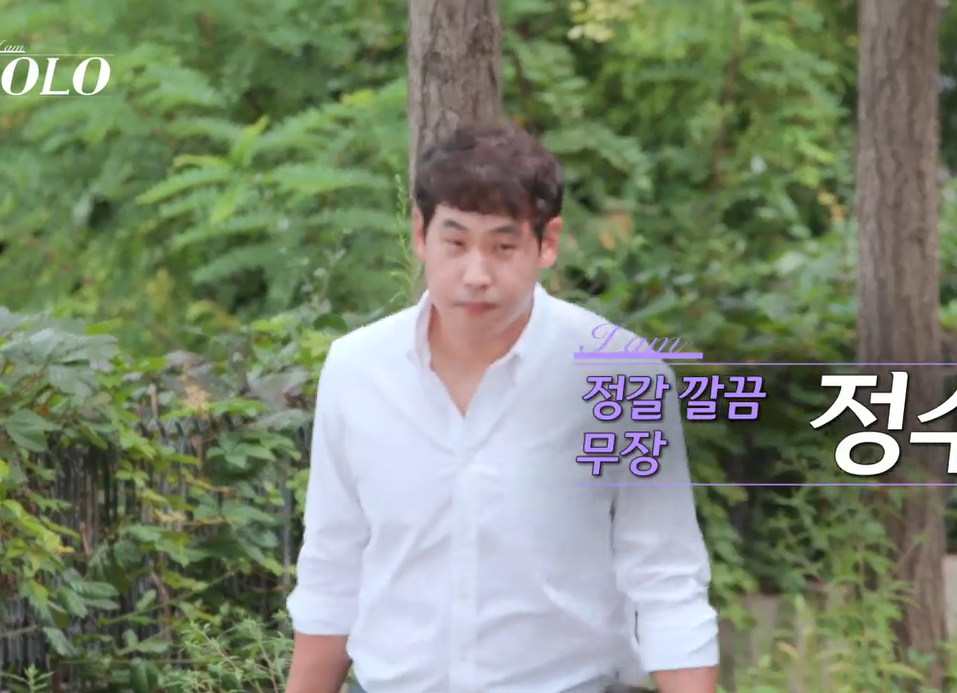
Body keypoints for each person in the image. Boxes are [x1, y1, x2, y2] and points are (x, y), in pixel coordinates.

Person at [283, 124, 719, 693]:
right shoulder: (357, 370)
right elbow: (333, 568)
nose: (476, 275)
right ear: (420, 234)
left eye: (503, 247)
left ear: (547, 243)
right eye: (455, 243)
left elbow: (667, 580)